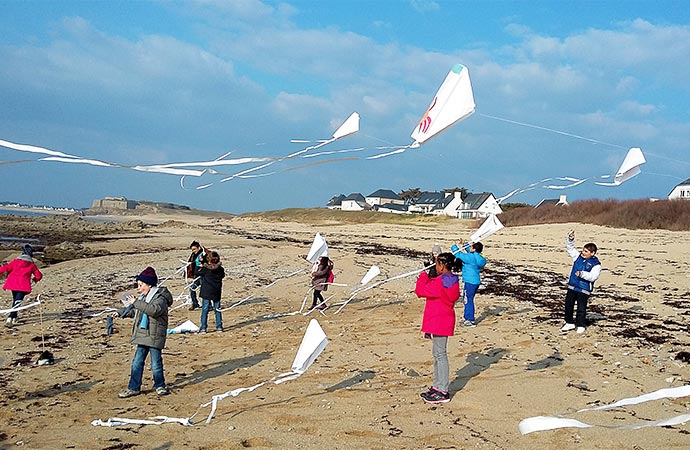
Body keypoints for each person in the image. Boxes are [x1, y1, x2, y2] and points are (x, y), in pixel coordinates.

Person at [117, 266, 174, 398]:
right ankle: (133, 388)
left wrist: (135, 302)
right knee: (137, 362)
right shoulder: (142, 298)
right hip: (143, 334)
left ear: (149, 284)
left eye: (140, 285)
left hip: (154, 335)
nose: (138, 288)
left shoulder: (160, 298)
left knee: (156, 363)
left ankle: (160, 386)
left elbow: (153, 310)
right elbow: (135, 311)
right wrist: (120, 313)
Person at [415, 252, 462, 404]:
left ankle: (442, 390)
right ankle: (437, 386)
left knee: (440, 355)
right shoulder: (449, 280)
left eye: (436, 264)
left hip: (440, 321)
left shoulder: (441, 282)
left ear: (442, 266)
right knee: (437, 354)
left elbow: (420, 291)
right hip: (441, 320)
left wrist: (423, 275)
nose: (434, 267)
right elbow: (434, 285)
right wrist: (432, 273)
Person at [561, 230, 601, 334]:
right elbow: (570, 249)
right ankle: (569, 322)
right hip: (572, 286)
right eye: (583, 250)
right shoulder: (577, 257)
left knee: (581, 307)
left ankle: (580, 324)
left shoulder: (596, 264)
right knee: (568, 305)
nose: (583, 252)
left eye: (586, 251)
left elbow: (593, 277)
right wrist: (570, 239)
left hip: (584, 289)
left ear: (592, 253)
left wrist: (582, 274)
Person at [0, 244, 42, 326]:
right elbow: (39, 275)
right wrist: (35, 280)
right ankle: (11, 317)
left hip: (13, 284)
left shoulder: (16, 261)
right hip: (23, 286)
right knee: (18, 301)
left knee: (16, 300)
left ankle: (13, 317)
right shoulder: (32, 265)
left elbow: (5, 268)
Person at [451, 239, 487, 327]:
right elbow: (470, 252)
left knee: (467, 300)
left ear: (474, 249)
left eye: (471, 246)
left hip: (470, 282)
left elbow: (458, 254)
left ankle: (469, 320)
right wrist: (465, 244)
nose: (469, 247)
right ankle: (469, 319)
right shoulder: (479, 257)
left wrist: (454, 246)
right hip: (475, 281)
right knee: (469, 299)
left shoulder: (471, 258)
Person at [197, 251, 225, 333]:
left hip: (207, 292)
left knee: (205, 310)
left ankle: (203, 328)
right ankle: (219, 327)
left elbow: (197, 272)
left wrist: (201, 264)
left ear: (209, 260)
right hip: (216, 291)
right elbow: (222, 275)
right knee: (217, 309)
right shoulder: (220, 269)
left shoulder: (205, 269)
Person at [186, 241, 207, 311]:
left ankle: (208, 305)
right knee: (192, 288)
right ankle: (195, 303)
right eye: (192, 250)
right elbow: (190, 263)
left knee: (204, 291)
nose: (193, 251)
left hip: (203, 275)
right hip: (196, 275)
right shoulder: (193, 255)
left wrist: (203, 262)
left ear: (199, 248)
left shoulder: (204, 254)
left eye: (194, 249)